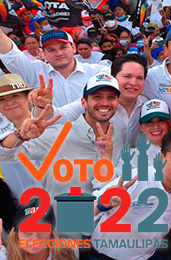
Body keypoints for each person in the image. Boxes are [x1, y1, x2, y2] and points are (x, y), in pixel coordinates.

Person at [0, 74, 122, 212]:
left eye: (111, 97)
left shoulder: (119, 135)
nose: (104, 103)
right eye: (97, 97)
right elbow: (4, 154)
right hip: (65, 222)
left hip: (105, 221)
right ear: (83, 102)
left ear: (118, 102)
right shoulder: (57, 135)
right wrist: (20, 135)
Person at [91, 129, 171, 260]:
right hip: (105, 256)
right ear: (161, 158)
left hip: (150, 255)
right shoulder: (134, 179)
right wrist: (102, 204)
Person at [0, 28, 110, 107]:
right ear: (44, 53)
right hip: (54, 133)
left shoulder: (98, 72)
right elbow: (10, 54)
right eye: (51, 50)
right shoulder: (34, 71)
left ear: (73, 48)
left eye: (63, 47)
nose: (59, 53)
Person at [0, 198, 77, 260]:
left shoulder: (68, 252)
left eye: (42, 231)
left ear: (52, 233)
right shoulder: (4, 255)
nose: (35, 239)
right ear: (16, 235)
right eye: (27, 232)